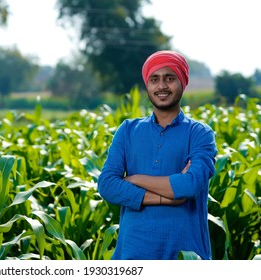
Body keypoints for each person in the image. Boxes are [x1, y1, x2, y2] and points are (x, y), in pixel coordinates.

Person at [97, 50, 217, 260]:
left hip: (186, 256)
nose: (161, 86)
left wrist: (135, 179)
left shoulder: (199, 133)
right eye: (154, 79)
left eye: (169, 78)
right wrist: (169, 199)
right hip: (132, 255)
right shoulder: (128, 130)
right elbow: (107, 185)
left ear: (182, 82)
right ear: (147, 85)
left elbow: (189, 186)